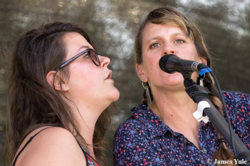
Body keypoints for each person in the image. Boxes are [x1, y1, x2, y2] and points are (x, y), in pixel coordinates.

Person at [113, 6, 250, 166]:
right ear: (141, 71)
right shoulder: (134, 135)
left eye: (179, 40)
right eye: (155, 44)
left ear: (201, 62)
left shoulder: (241, 106)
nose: (168, 49)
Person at [4, 22, 120, 166]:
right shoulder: (54, 142)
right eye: (87, 55)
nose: (105, 60)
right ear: (59, 80)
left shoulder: (62, 145)